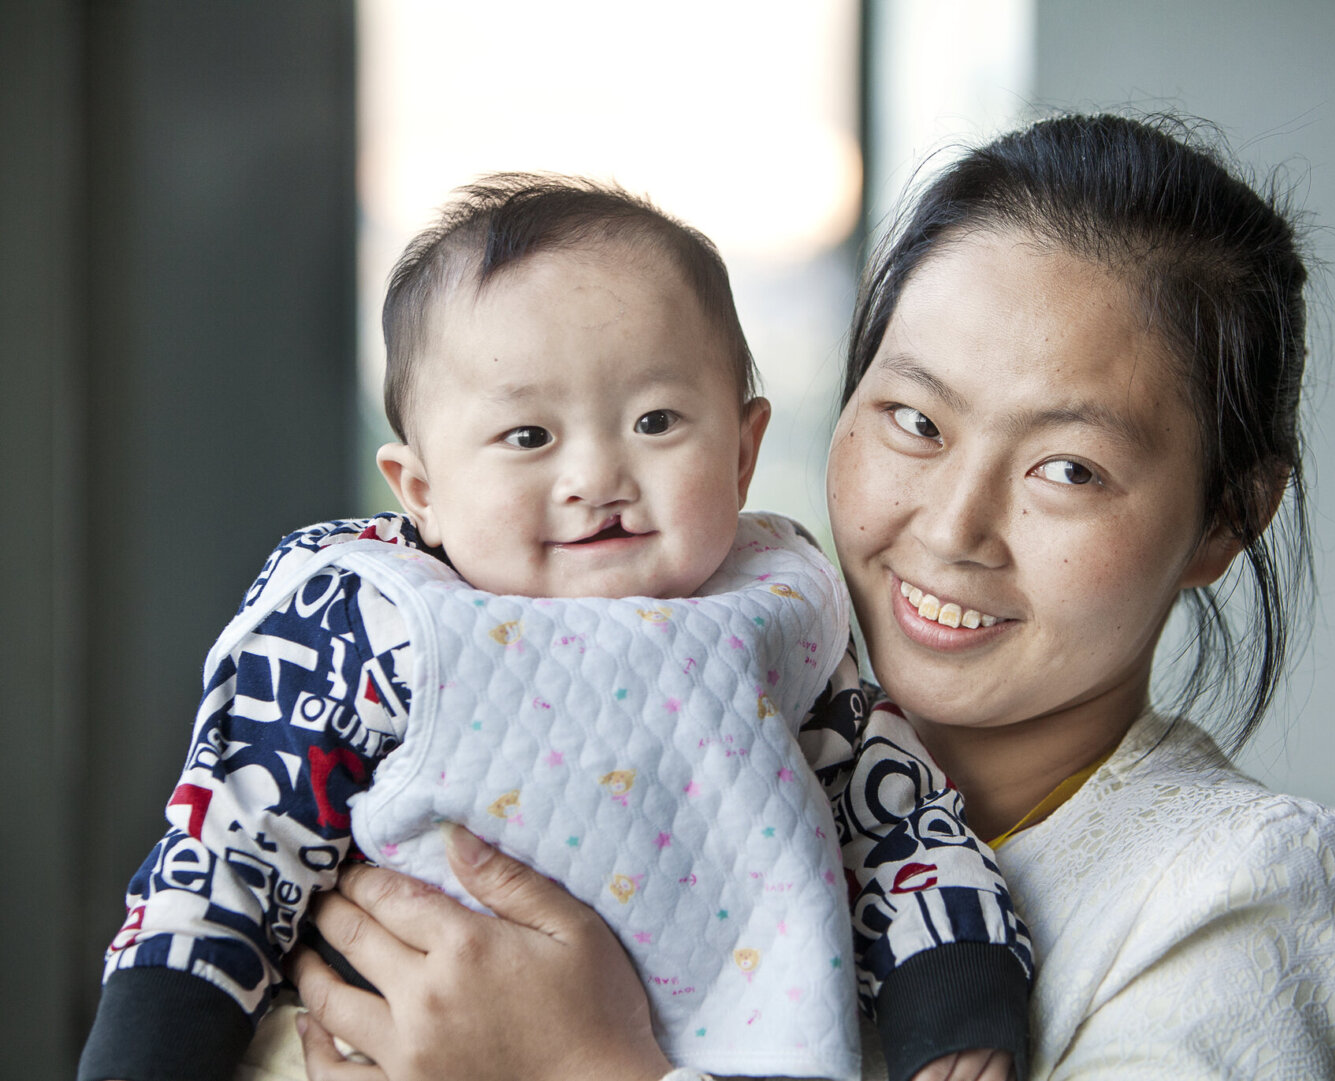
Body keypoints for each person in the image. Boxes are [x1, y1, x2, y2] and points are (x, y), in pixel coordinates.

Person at [284, 114, 1335, 1081]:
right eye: (915, 420)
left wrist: (590, 1065)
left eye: (1069, 468)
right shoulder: (650, 737)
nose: (952, 526)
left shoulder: (1248, 894)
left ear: (1227, 520)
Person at [78, 177, 1033, 1081]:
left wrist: (954, 989)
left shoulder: (776, 612)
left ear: (744, 453)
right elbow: (237, 832)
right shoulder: (373, 618)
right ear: (423, 491)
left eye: (657, 420)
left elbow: (896, 818)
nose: (596, 476)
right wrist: (155, 1034)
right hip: (376, 1042)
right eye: (529, 437)